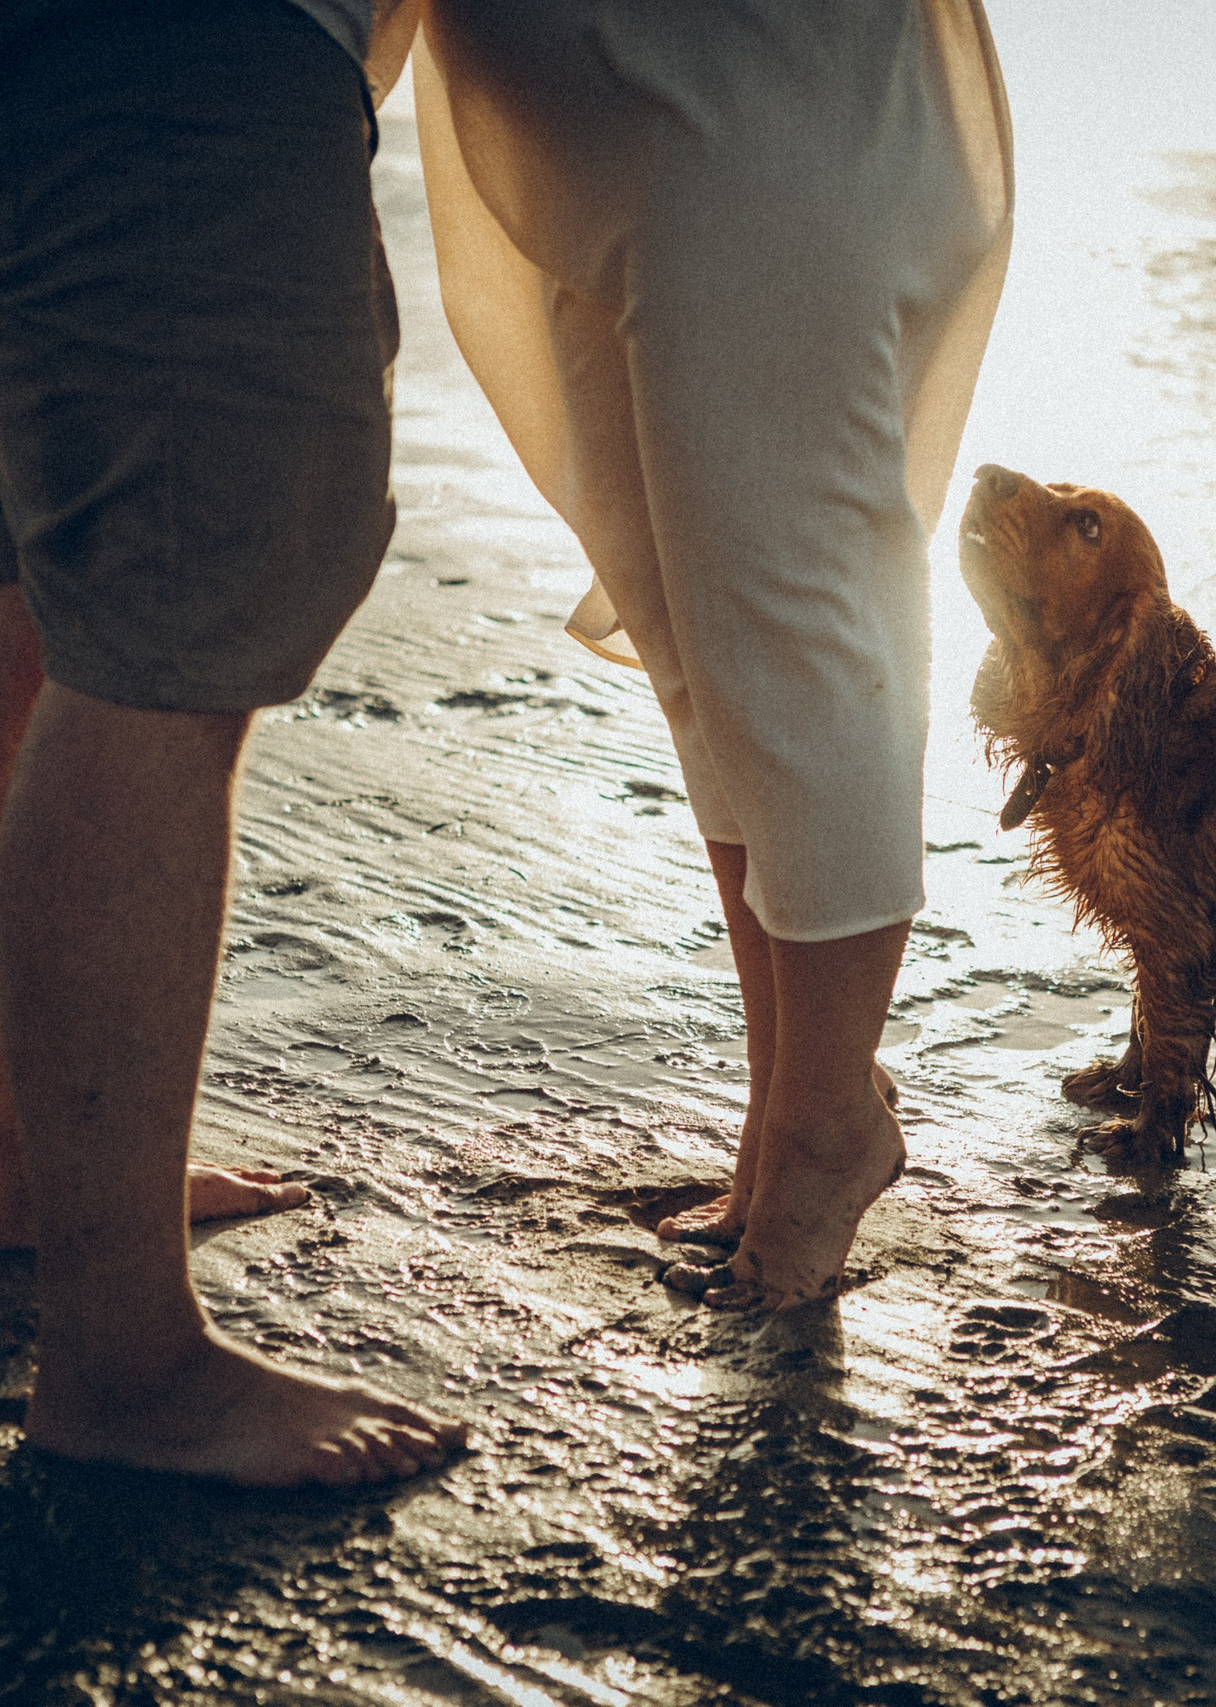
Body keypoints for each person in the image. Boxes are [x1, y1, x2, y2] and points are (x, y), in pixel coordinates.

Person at [0, 0, 461, 1486]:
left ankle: (29, 1171)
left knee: (21, 581)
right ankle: (125, 1361)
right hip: (159, 35)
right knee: (170, 622)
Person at [414, 0, 1013, 1310]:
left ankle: (825, 1126)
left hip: (745, 89)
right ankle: (792, 1094)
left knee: (794, 621)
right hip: (573, 139)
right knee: (695, 639)